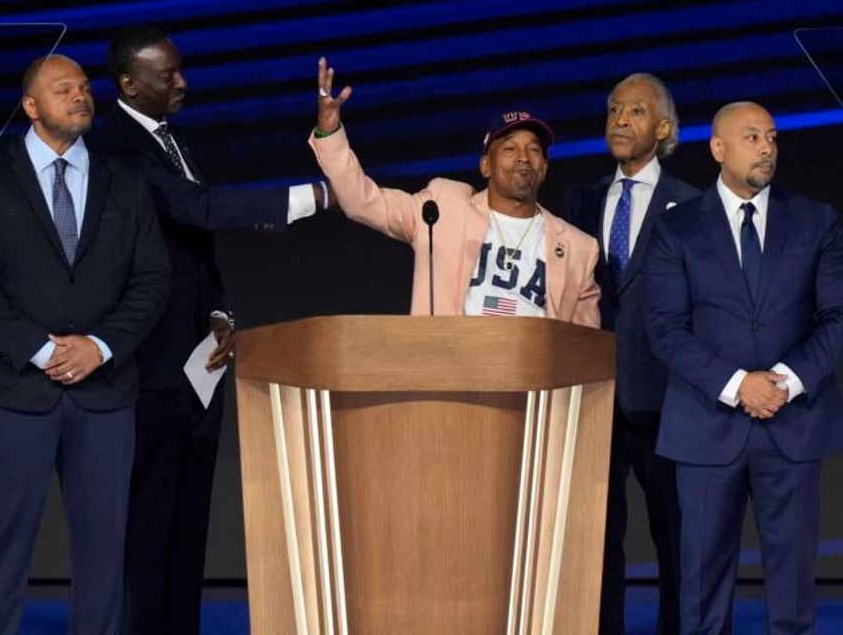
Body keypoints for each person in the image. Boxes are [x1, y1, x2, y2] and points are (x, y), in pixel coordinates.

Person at [87, 25, 331, 635]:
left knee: (188, 523)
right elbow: (197, 209)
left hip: (198, 361)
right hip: (150, 367)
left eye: (180, 70)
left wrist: (221, 311)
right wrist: (311, 198)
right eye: (167, 75)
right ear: (129, 84)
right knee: (149, 530)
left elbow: (194, 245)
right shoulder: (116, 147)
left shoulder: (170, 139)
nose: (182, 83)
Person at [644, 101, 843, 634]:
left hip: (793, 422)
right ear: (718, 149)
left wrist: (784, 382)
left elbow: (837, 316)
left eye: (773, 137)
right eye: (752, 137)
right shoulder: (676, 228)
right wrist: (738, 386)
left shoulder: (815, 220)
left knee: (795, 594)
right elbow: (664, 328)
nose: (767, 147)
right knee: (702, 598)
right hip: (706, 427)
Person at [0, 54, 170, 634]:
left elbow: (152, 280)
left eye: (84, 87)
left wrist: (98, 345)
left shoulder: (126, 181)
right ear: (29, 106)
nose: (80, 95)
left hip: (106, 395)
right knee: (2, 553)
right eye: (62, 88)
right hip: (14, 390)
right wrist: (39, 348)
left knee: (103, 557)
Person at [309, 57, 600, 325]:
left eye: (533, 150)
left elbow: (585, 351)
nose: (523, 157)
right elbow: (363, 201)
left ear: (545, 168)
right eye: (510, 148)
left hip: (531, 378)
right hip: (451, 374)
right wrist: (330, 131)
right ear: (485, 165)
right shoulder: (442, 207)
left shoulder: (578, 249)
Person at [563, 73, 698, 634]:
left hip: (666, 398)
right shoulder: (581, 199)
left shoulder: (692, 207)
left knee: (674, 536)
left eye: (635, 111)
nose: (619, 118)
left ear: (663, 128)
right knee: (596, 538)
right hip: (594, 395)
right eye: (614, 108)